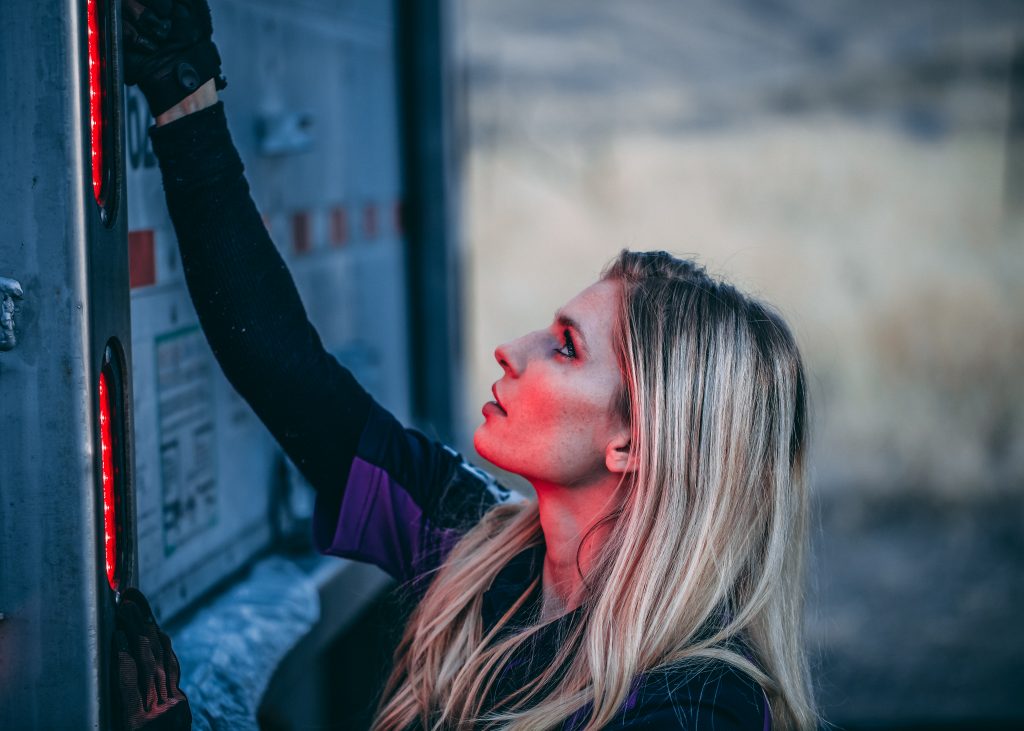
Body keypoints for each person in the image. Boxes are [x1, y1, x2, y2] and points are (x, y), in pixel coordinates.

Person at [121, 1, 819, 729]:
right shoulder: (483, 550)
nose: (511, 350)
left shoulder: (698, 708)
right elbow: (287, 372)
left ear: (634, 441)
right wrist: (183, 91)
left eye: (566, 346)